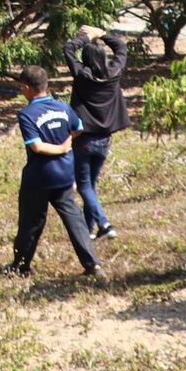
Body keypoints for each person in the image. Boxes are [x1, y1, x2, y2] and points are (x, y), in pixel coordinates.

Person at [0, 65, 101, 279]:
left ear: (26, 87)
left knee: (31, 223)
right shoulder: (63, 107)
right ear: (46, 85)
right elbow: (79, 128)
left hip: (39, 177)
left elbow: (37, 147)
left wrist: (62, 147)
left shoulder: (27, 114)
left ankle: (20, 266)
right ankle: (92, 265)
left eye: (21, 87)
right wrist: (67, 142)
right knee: (74, 219)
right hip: (65, 174)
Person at [64, 26, 131, 241]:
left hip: (84, 139)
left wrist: (85, 38)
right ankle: (87, 229)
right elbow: (121, 47)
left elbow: (68, 49)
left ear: (85, 60)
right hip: (105, 140)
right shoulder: (113, 73)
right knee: (90, 185)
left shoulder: (82, 75)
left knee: (84, 186)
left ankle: (104, 223)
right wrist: (101, 34)